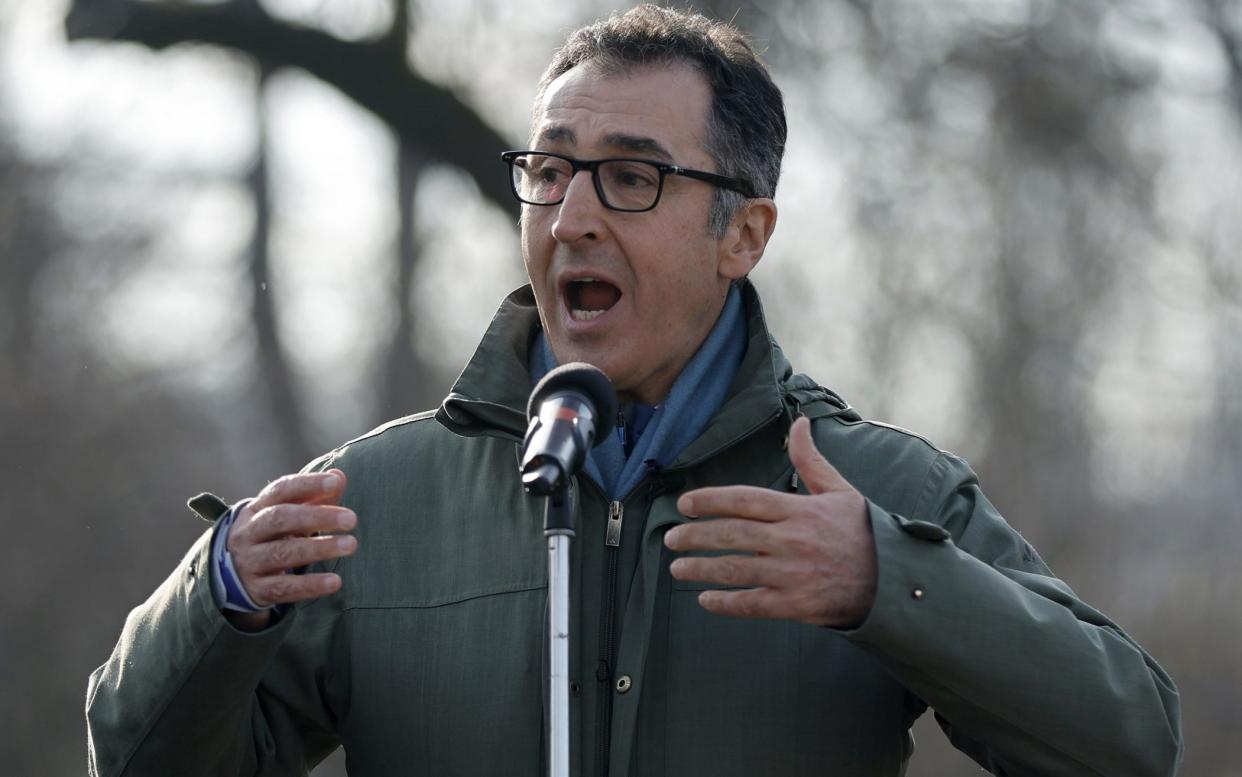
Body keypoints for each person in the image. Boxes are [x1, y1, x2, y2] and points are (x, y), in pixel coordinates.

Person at [86, 6, 1182, 777]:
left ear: (742, 233)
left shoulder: (873, 492)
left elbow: (1128, 741)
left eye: (631, 176)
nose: (570, 218)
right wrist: (217, 597)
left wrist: (886, 583)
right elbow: (138, 761)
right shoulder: (372, 498)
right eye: (550, 170)